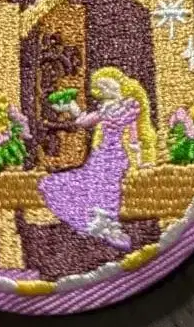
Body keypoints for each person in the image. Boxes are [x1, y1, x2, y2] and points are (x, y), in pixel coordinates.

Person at [39, 67, 156, 250]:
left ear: (119, 83)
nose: (105, 89)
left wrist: (140, 157)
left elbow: (135, 133)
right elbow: (84, 121)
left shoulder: (129, 105)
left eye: (108, 84)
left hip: (117, 154)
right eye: (102, 87)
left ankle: (108, 223)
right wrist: (70, 107)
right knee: (61, 183)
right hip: (101, 152)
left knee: (107, 185)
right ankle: (92, 221)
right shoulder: (105, 108)